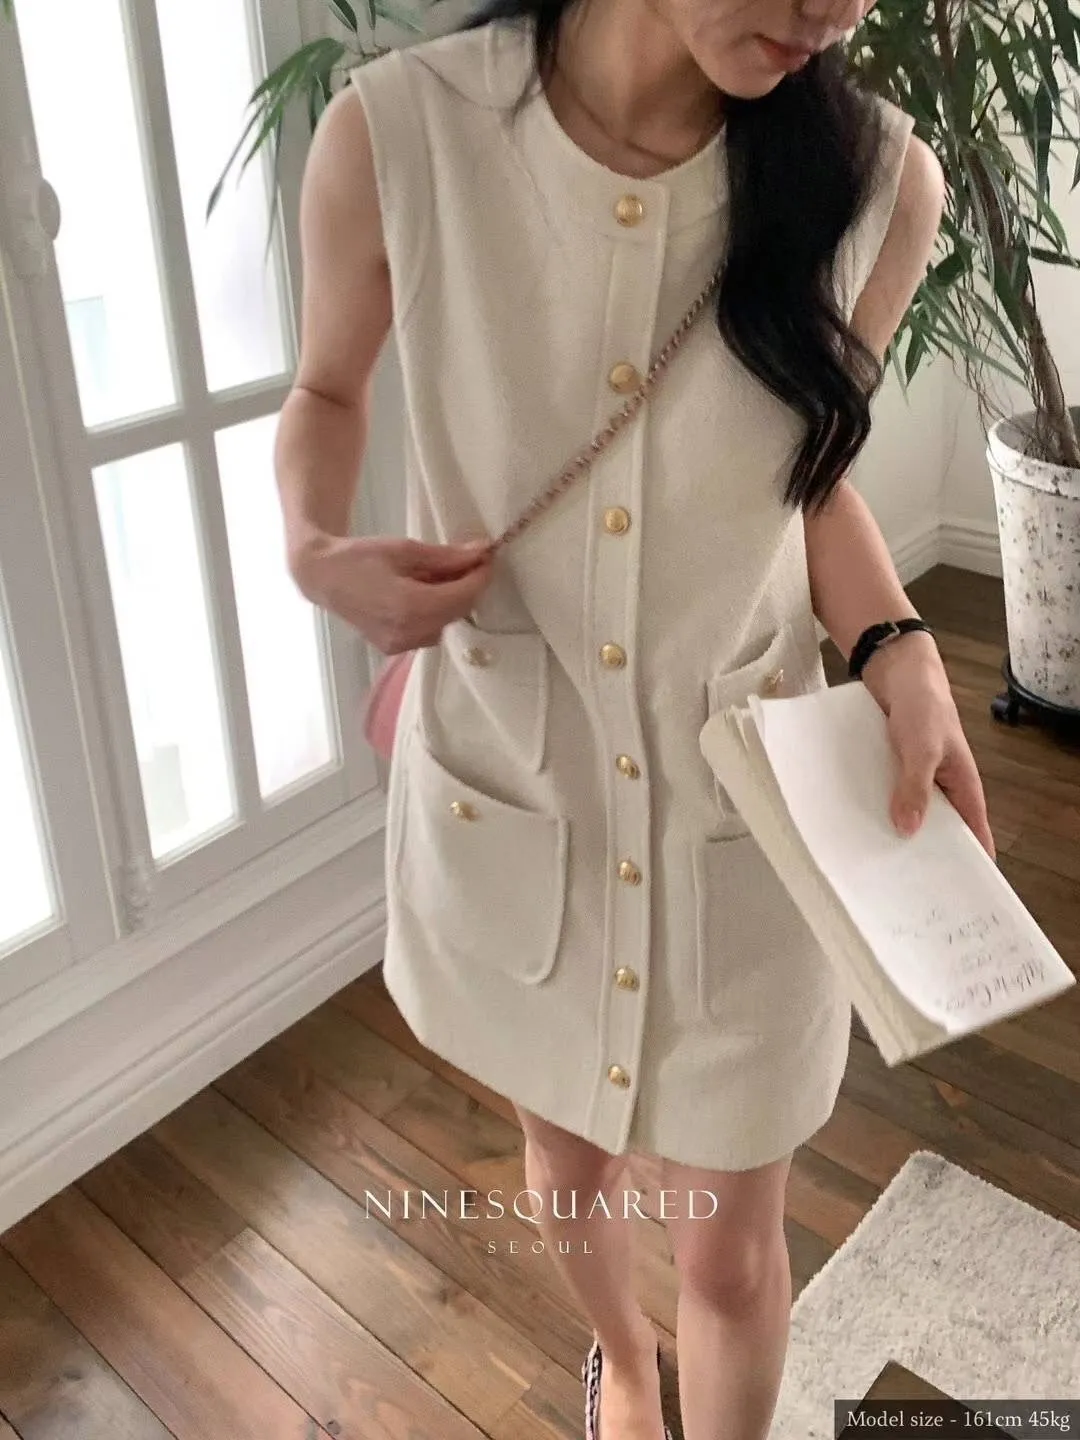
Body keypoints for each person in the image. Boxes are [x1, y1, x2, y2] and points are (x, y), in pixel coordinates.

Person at [275, 1, 996, 1435]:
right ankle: (625, 1355)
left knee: (732, 1250)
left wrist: (898, 641)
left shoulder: (879, 184)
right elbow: (325, 388)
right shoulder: (399, 138)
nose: (839, 10)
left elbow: (811, 478)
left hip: (743, 811)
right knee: (571, 1171)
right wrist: (314, 548)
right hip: (520, 792)